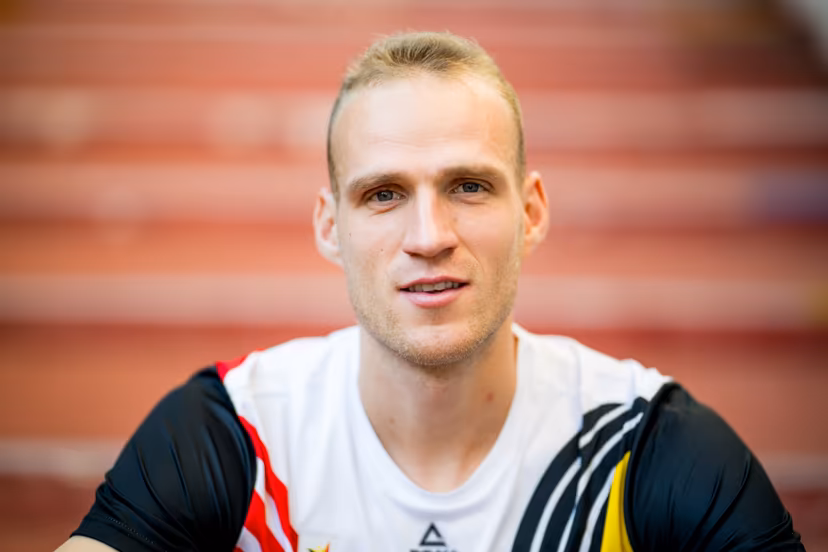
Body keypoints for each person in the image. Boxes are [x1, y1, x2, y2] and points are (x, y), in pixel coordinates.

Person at [57, 31, 803, 552]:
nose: (428, 235)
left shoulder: (643, 443)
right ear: (328, 225)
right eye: (383, 195)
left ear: (532, 211)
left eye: (469, 186)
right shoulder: (239, 430)